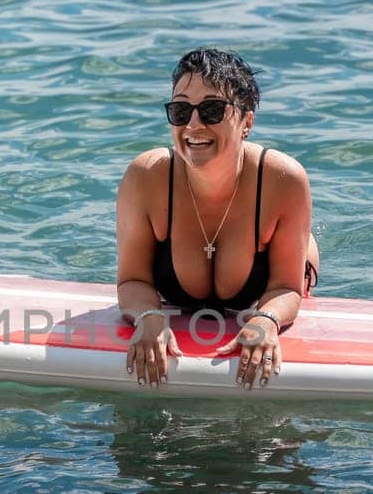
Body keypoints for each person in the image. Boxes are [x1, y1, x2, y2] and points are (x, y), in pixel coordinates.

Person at [115, 48, 318, 389]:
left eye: (211, 110)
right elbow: (132, 281)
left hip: (276, 252)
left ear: (247, 123)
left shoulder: (284, 180)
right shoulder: (147, 176)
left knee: (300, 263)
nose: (194, 125)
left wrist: (267, 319)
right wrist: (149, 317)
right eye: (181, 110)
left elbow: (286, 288)